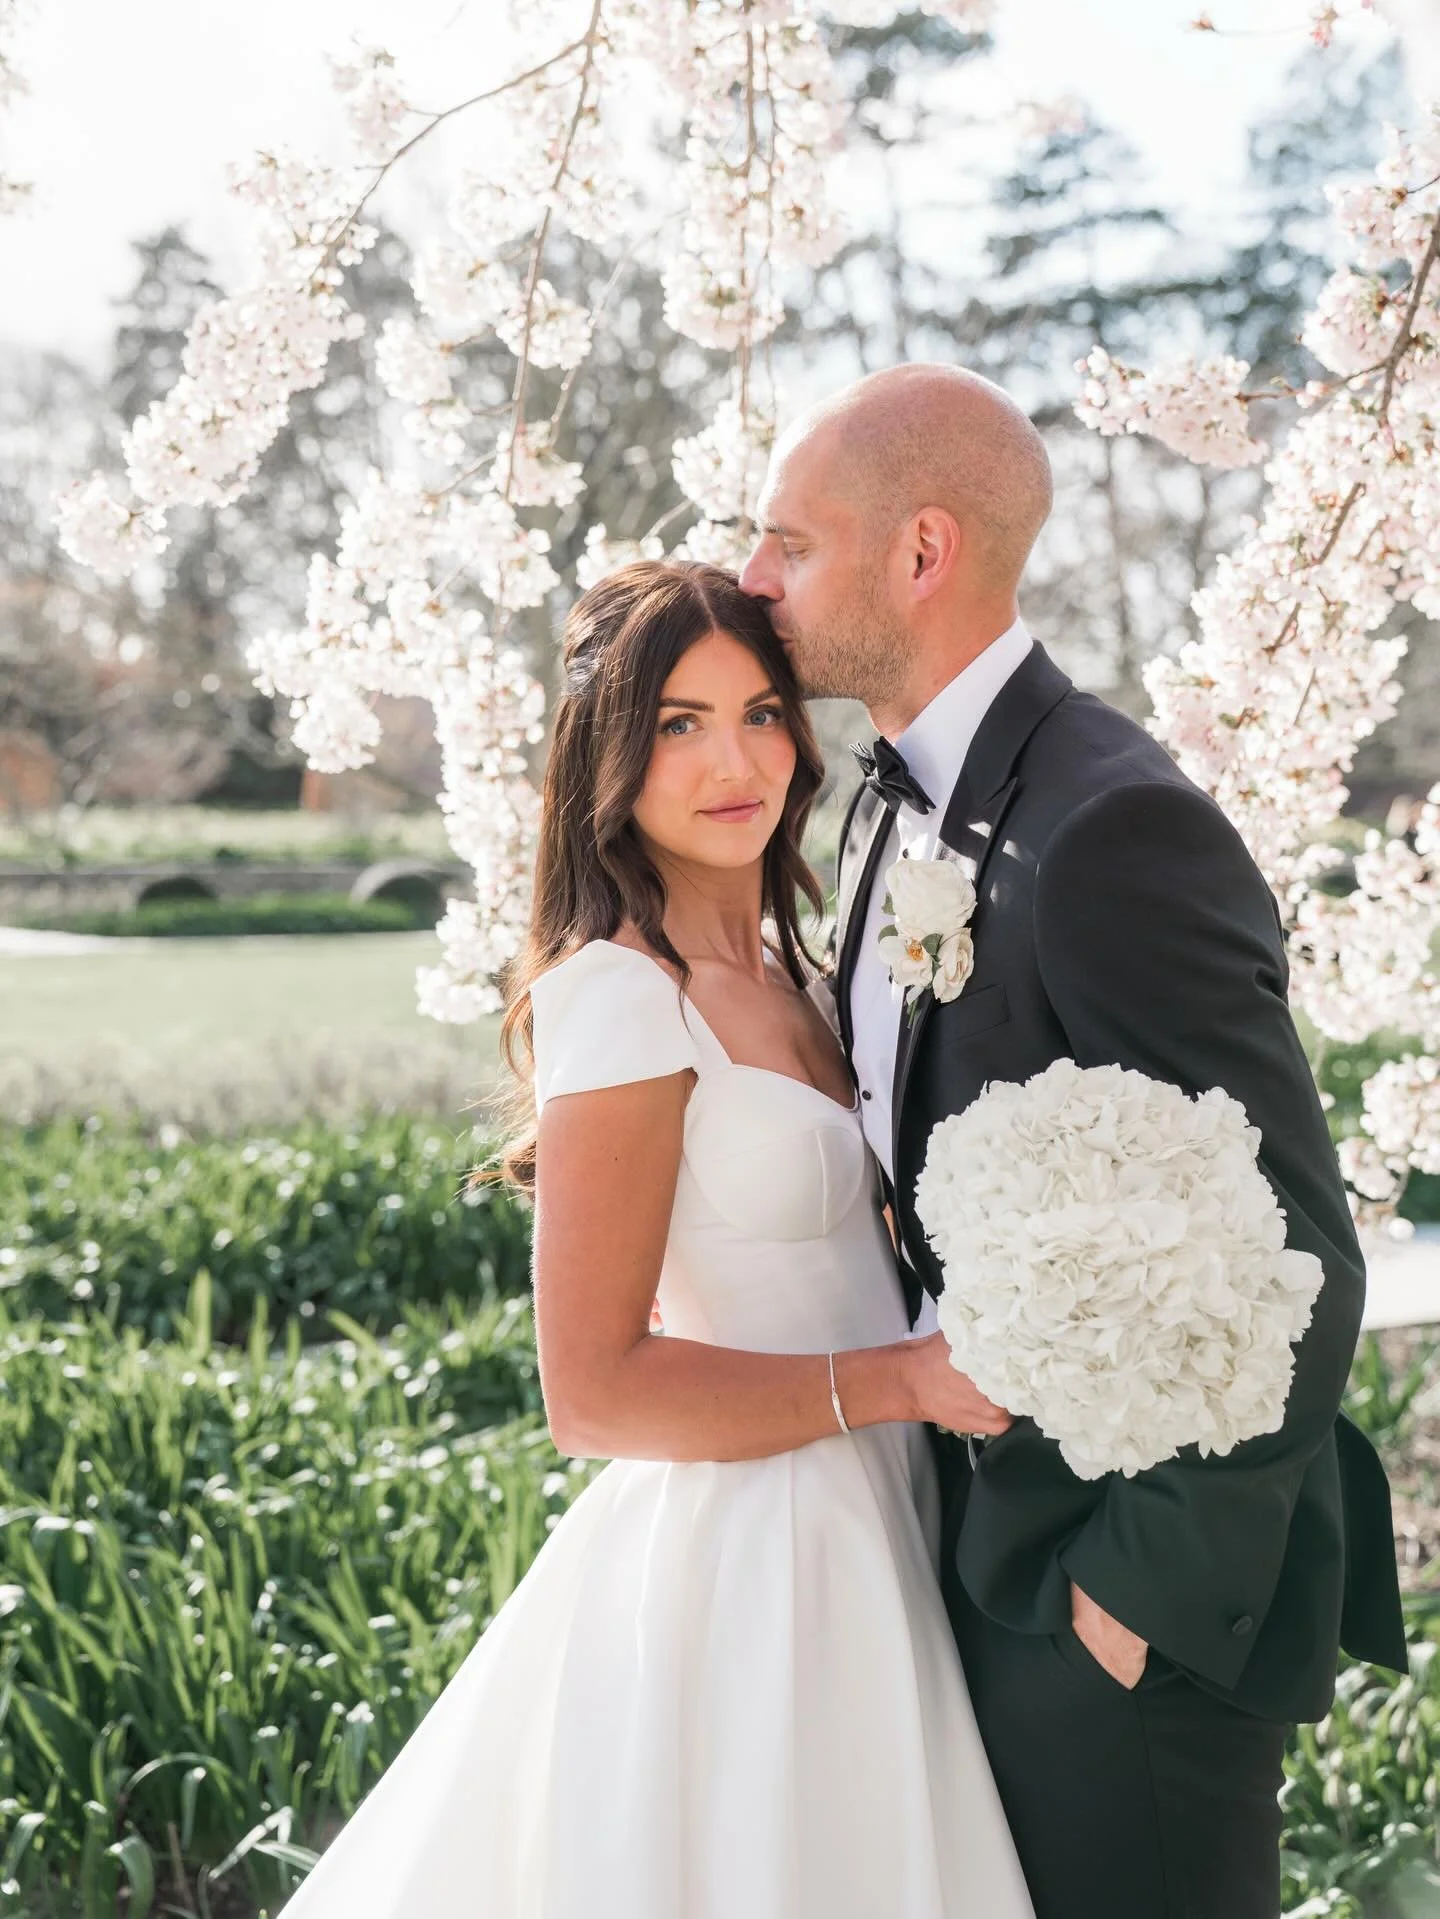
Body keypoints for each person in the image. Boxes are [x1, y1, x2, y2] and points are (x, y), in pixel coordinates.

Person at [737, 361, 1409, 1919]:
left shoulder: (1112, 828)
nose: (753, 577)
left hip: (1109, 1605)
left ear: (922, 551)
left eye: (790, 542)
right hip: (957, 1544)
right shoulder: (883, 804)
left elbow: (1299, 1254)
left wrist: (1126, 1604)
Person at [277, 557, 1035, 1918]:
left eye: (759, 712)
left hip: (885, 1508)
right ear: (611, 755)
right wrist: (902, 1380)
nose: (734, 761)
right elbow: (593, 1390)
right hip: (758, 1552)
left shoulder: (801, 973)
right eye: (680, 723)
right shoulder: (622, 997)